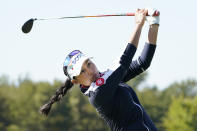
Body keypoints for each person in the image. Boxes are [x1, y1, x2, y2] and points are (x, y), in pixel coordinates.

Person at [40, 8, 160, 131]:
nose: (90, 71)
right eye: (82, 72)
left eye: (89, 64)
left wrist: (154, 24)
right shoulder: (98, 93)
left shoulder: (109, 78)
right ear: (76, 81)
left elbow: (143, 62)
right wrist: (138, 25)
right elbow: (124, 60)